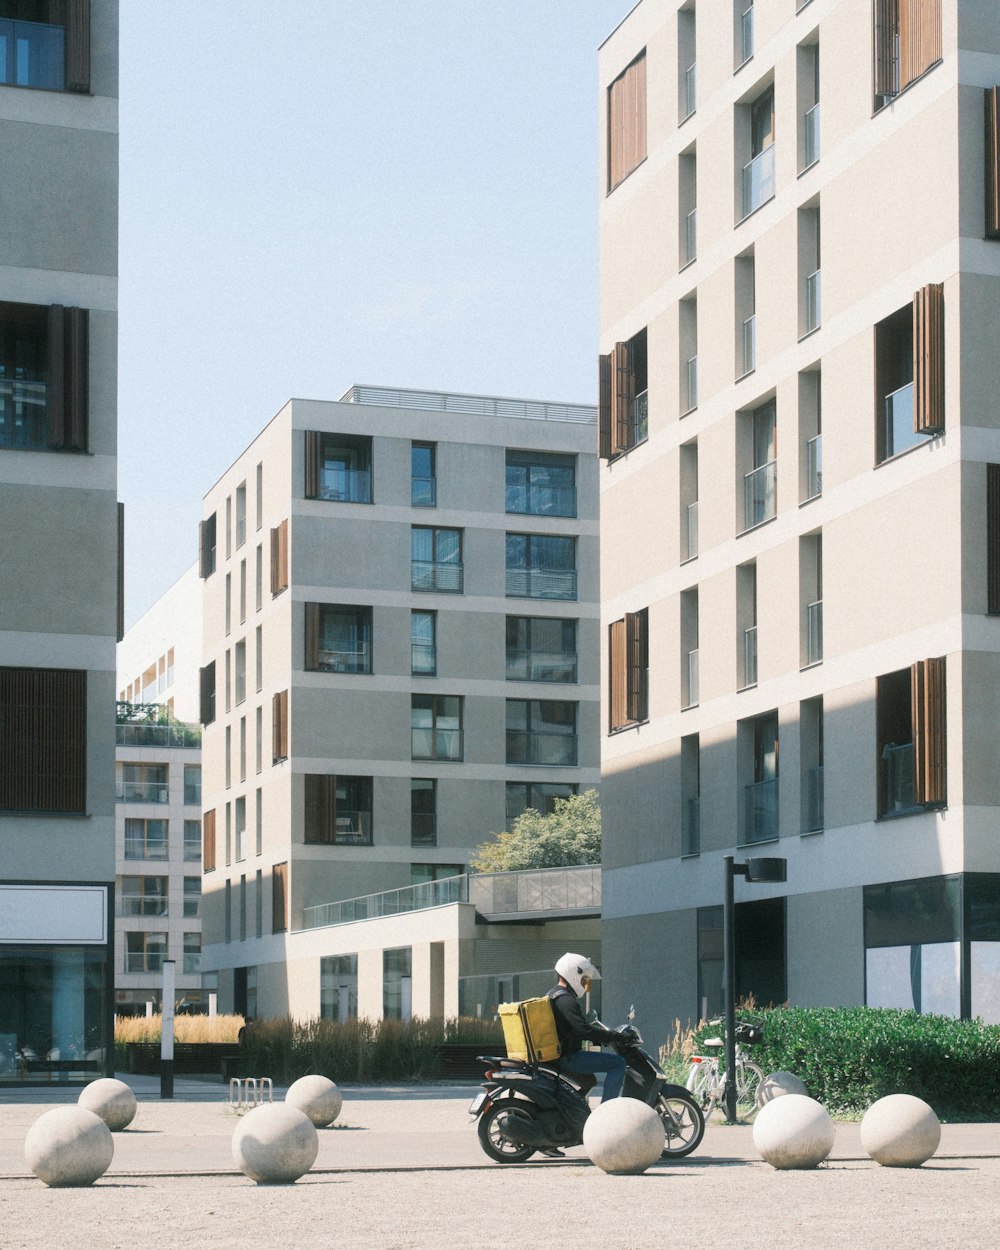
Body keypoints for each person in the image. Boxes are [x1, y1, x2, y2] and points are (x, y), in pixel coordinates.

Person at [548, 952, 626, 1102]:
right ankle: (607, 1111)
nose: (584, 983)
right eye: (584, 979)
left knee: (590, 1081)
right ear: (573, 974)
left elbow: (573, 1029)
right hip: (569, 1057)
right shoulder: (566, 1000)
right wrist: (616, 1036)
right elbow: (583, 1030)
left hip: (559, 1055)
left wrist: (600, 1039)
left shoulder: (553, 995)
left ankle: (577, 1110)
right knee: (618, 1063)